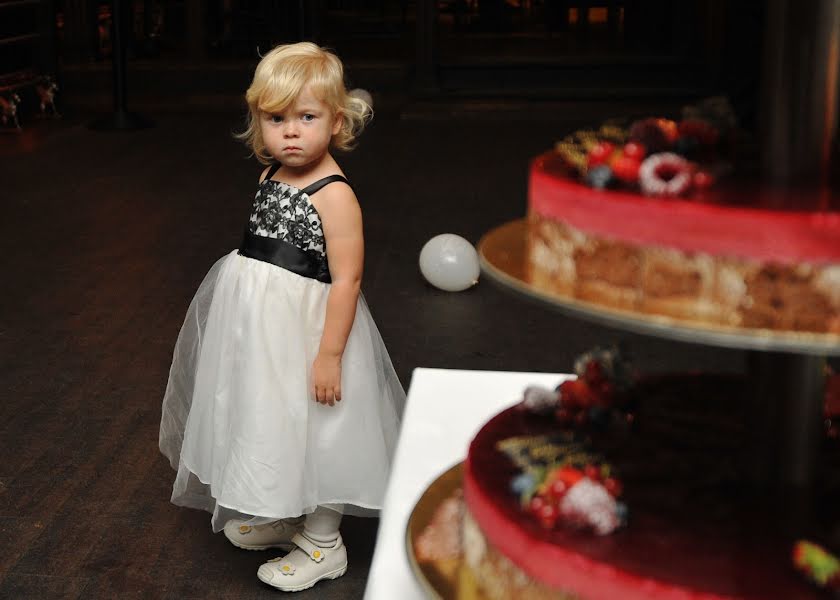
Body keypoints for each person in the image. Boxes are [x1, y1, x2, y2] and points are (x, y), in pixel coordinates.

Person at [159, 42, 405, 593]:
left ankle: (323, 541)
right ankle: (285, 510)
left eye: (307, 117)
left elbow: (347, 279)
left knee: (320, 428)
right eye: (276, 119)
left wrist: (330, 354)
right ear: (258, 122)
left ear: (336, 122)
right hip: (262, 332)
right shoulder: (272, 174)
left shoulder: (335, 195)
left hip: (310, 334)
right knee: (271, 417)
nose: (290, 132)